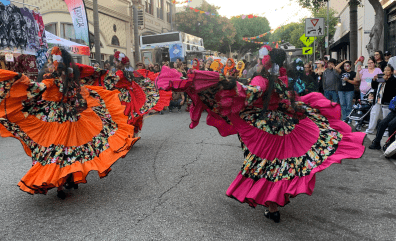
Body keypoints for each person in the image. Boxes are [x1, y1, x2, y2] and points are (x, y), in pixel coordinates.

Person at [156, 47, 365, 223]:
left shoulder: (261, 78)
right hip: (282, 125)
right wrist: (299, 110)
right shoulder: (282, 78)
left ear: (263, 60)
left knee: (264, 164)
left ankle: (272, 207)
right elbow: (286, 101)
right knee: (279, 164)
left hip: (262, 126)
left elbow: (252, 92)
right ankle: (274, 205)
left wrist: (228, 85)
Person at [0, 47, 139, 199]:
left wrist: (19, 80)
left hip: (56, 118)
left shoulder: (51, 78)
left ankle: (61, 184)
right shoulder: (70, 76)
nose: (49, 63)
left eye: (51, 60)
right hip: (71, 117)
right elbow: (78, 97)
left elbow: (37, 89)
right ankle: (69, 180)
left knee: (57, 150)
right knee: (71, 150)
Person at [365, 65, 396, 135]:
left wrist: (386, 80)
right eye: (385, 70)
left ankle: (386, 131)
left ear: (391, 72)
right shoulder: (381, 77)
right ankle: (370, 129)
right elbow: (374, 86)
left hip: (387, 101)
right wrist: (374, 79)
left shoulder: (393, 79)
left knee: (386, 117)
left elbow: (390, 89)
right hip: (377, 100)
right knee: (373, 114)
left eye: (388, 70)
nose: (386, 71)